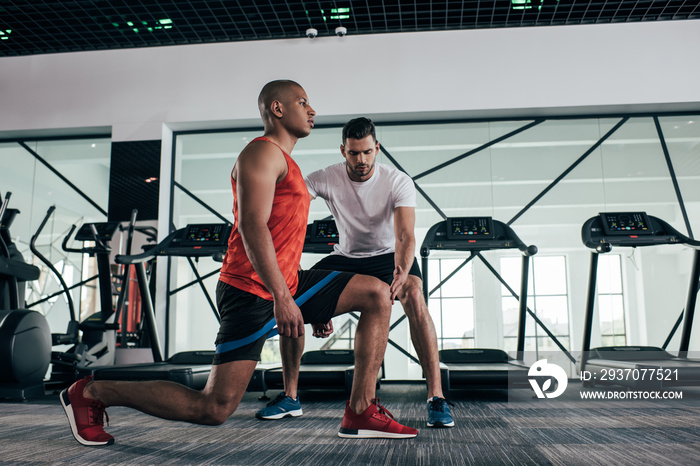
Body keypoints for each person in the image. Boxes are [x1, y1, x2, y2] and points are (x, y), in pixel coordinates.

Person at [60, 81, 417, 446]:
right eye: (303, 102)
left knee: (376, 294)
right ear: (277, 109)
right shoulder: (261, 154)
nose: (312, 111)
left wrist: (308, 300)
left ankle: (360, 410)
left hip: (286, 282)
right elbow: (251, 224)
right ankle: (91, 393)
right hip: (251, 291)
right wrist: (282, 298)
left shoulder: (287, 162)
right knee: (213, 408)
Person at [256, 117, 454, 428]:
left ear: (377, 148)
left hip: (389, 255)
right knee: (293, 294)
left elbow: (405, 235)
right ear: (343, 151)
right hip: (345, 257)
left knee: (414, 294)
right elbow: (290, 202)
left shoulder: (397, 181)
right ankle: (290, 396)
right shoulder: (326, 177)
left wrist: (402, 269)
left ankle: (436, 397)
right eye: (353, 153)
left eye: (366, 152)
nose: (361, 160)